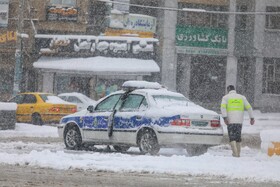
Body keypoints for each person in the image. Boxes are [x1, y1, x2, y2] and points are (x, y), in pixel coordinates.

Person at [220, 85, 255, 157]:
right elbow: (249, 107)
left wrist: (225, 118)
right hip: (239, 121)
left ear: (228, 90)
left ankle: (235, 153)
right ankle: (238, 153)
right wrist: (251, 118)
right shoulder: (242, 97)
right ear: (234, 89)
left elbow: (223, 108)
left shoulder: (225, 97)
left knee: (232, 136)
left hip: (230, 120)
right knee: (238, 136)